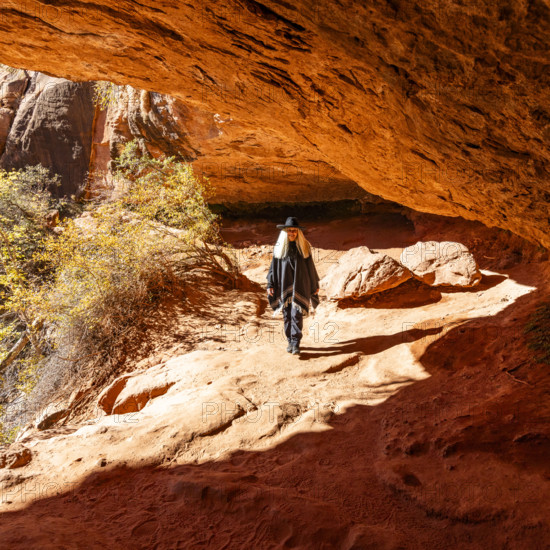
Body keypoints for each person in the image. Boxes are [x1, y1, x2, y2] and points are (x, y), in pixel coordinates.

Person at [266, 216, 320, 355]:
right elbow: (273, 267)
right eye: (289, 230)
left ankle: (296, 343)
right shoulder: (279, 248)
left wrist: (314, 285)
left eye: (294, 231)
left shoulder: (303, 247)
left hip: (300, 284)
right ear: (285, 231)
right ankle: (290, 341)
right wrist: (270, 284)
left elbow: (310, 266)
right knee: (286, 315)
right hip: (283, 285)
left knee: (296, 314)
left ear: (298, 232)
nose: (292, 233)